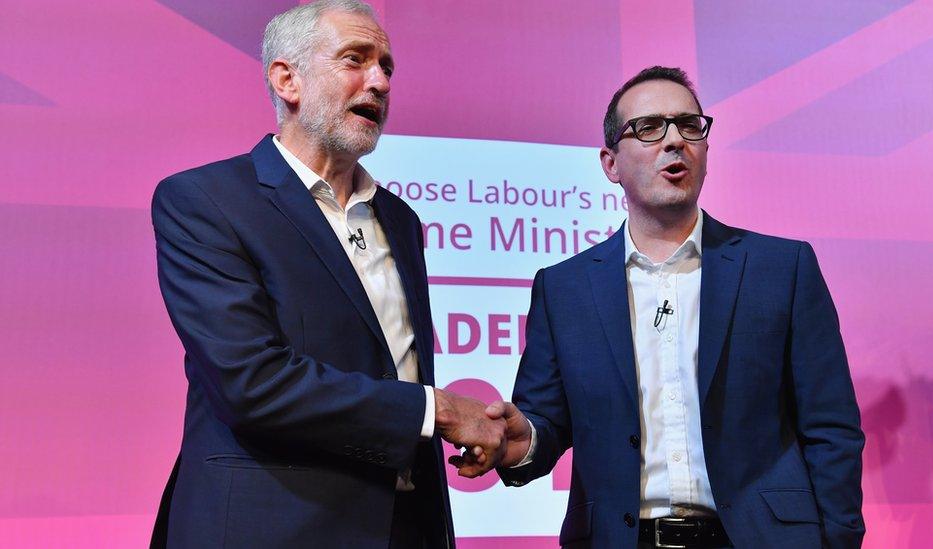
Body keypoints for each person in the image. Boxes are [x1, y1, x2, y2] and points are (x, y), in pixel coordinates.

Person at [458, 66, 865, 548]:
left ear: (706, 150)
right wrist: (521, 440)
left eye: (689, 125)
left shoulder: (782, 269)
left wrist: (837, 541)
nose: (674, 141)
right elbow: (545, 424)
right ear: (610, 164)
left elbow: (832, 428)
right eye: (649, 128)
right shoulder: (564, 289)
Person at [149, 2, 504, 547]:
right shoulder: (205, 201)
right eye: (355, 60)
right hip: (272, 529)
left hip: (406, 527)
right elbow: (252, 382)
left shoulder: (401, 221)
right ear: (288, 79)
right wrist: (439, 410)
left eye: (387, 66)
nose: (380, 81)